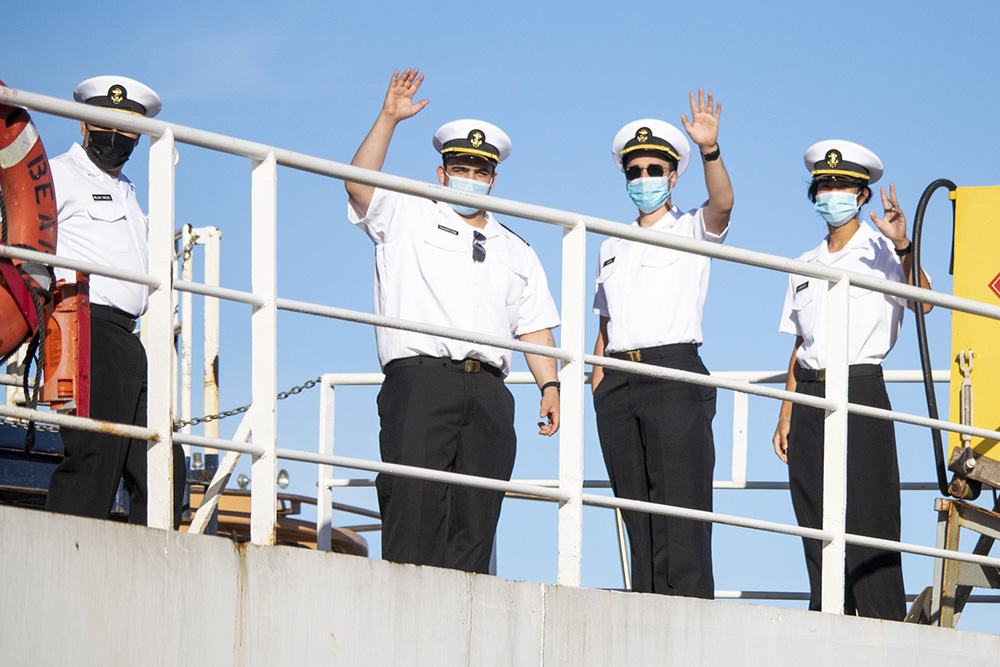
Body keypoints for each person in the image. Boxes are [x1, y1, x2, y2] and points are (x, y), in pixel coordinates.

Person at [345, 69, 561, 574]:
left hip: (488, 390)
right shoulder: (406, 211)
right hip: (422, 381)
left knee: (476, 525)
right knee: (414, 515)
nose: (471, 176)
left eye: (480, 169)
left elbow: (532, 324)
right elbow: (358, 185)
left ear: (493, 177)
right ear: (442, 172)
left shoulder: (518, 248)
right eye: (460, 166)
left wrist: (549, 383)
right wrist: (389, 118)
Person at [771, 140, 932, 619]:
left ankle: (882, 622)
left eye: (842, 185)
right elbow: (801, 344)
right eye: (824, 185)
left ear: (862, 195)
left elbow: (923, 302)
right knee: (814, 513)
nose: (831, 193)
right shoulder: (805, 263)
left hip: (859, 383)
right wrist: (786, 410)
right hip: (810, 394)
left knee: (870, 512)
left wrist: (904, 244)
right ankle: (827, 618)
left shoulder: (882, 250)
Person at [591, 90, 734, 598]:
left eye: (655, 169)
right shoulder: (610, 242)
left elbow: (723, 204)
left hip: (673, 372)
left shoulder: (691, 226)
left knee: (681, 508)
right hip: (618, 378)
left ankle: (689, 617)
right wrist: (597, 377)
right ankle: (645, 608)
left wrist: (711, 151)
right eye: (635, 171)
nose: (644, 179)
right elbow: (606, 322)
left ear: (674, 176)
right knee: (636, 507)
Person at [45, 75, 185, 528]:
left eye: (129, 132)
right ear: (86, 124)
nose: (118, 139)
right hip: (85, 328)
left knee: (164, 464)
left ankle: (147, 571)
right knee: (95, 457)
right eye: (109, 127)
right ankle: (65, 556)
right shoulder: (56, 175)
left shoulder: (127, 189)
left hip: (129, 338)